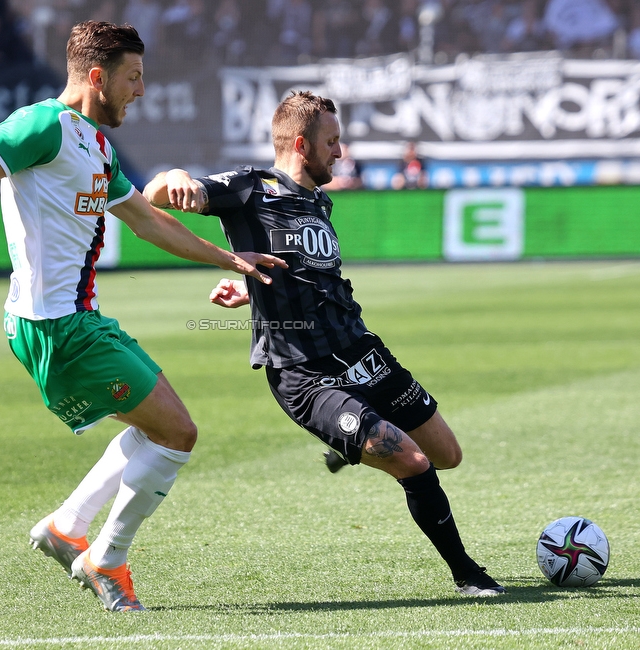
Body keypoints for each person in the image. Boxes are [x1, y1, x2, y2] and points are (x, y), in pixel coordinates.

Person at [0, 20, 285, 613]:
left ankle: (67, 528)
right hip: (56, 327)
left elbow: (150, 222)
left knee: (159, 427)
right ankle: (104, 560)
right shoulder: (41, 125)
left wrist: (229, 258)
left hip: (78, 322)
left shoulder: (98, 147)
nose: (142, 90)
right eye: (133, 77)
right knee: (178, 433)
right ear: (97, 76)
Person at [142, 91, 506, 598]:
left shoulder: (319, 199)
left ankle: (349, 444)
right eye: (332, 141)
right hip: (303, 373)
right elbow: (155, 193)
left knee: (446, 455)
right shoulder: (249, 189)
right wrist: (175, 177)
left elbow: (306, 278)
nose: (340, 151)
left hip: (359, 350)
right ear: (300, 143)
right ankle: (469, 575)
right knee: (413, 463)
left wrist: (249, 289)